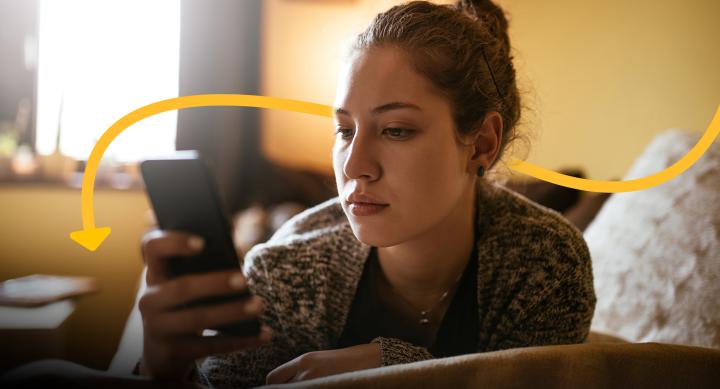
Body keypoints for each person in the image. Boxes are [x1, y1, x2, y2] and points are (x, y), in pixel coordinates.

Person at [136, 0, 596, 387]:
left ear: (481, 143)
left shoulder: (544, 262)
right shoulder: (287, 271)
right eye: (344, 130)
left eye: (396, 130)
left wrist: (394, 367)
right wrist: (162, 370)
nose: (354, 166)